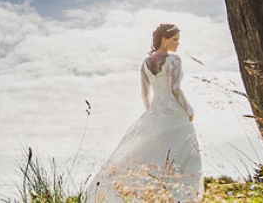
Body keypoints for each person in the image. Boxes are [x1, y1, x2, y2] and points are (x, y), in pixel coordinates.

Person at [86, 23, 203, 202]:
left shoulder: (145, 63)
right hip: (175, 113)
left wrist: (151, 112)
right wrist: (189, 109)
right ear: (164, 40)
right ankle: (179, 197)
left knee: (151, 155)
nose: (178, 44)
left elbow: (144, 93)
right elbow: (176, 89)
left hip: (155, 112)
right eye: (175, 40)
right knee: (182, 155)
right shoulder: (174, 60)